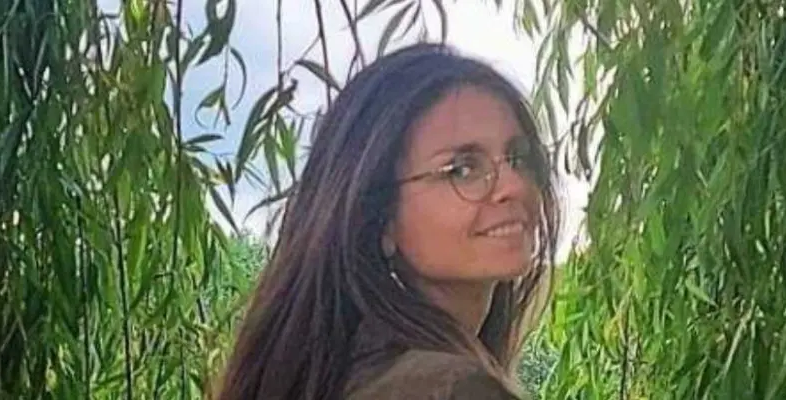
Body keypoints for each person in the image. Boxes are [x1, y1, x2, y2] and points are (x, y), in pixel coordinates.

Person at [213, 43, 559, 399]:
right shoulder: (450, 388)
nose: (515, 186)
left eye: (518, 158)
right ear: (380, 217)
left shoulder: (347, 374)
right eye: (462, 169)